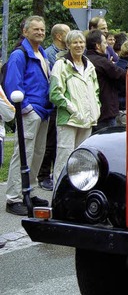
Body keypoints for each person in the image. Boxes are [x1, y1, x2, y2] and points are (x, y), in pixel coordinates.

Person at [4, 15, 53, 216]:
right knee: (22, 154)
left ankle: (29, 191)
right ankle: (14, 198)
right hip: (30, 112)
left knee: (37, 153)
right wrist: (27, 108)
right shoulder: (19, 55)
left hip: (43, 112)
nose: (40, 32)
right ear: (25, 32)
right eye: (36, 29)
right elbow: (12, 84)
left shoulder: (40, 52)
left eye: (42, 29)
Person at [49, 30, 101, 186]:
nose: (79, 45)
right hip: (69, 120)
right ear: (68, 45)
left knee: (82, 159)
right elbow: (55, 93)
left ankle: (78, 191)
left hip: (87, 119)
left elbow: (96, 92)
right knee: (64, 158)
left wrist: (96, 110)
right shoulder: (61, 65)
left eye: (81, 42)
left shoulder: (89, 65)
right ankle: (59, 192)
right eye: (75, 42)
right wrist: (72, 109)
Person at [38, 23, 71, 191]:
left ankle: (53, 175)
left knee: (58, 143)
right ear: (59, 36)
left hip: (62, 106)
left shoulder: (67, 54)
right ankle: (43, 175)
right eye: (68, 33)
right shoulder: (50, 54)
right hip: (52, 105)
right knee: (49, 143)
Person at [85, 29, 126, 133]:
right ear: (98, 46)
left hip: (93, 111)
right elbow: (124, 75)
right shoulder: (102, 62)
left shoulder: (86, 59)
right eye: (104, 43)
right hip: (106, 112)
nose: (107, 46)